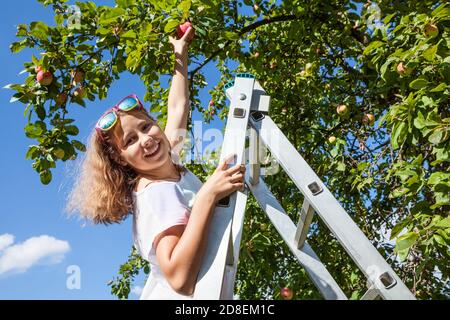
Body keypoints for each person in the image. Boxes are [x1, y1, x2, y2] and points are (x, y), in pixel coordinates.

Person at [66, 24, 246, 299]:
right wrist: (208, 194)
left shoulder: (168, 163)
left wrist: (180, 54)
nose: (146, 140)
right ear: (121, 159)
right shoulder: (158, 192)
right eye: (130, 141)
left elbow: (177, 107)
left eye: (147, 127)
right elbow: (179, 278)